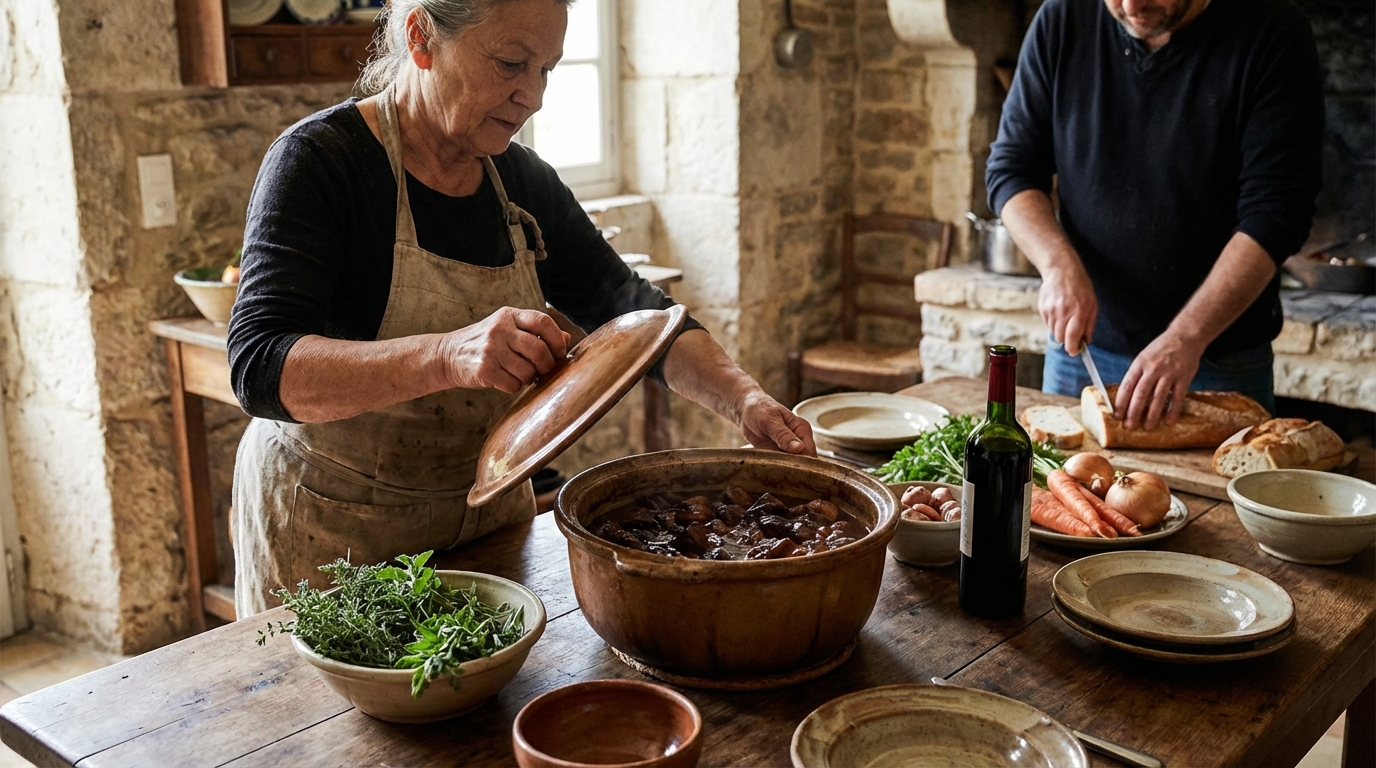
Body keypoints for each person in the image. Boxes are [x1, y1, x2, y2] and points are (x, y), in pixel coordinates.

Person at [228, 0, 814, 617]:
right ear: (422, 37)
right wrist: (448, 355)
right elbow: (260, 368)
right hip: (337, 534)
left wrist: (743, 398)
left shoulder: (523, 184)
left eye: (548, 70)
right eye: (511, 63)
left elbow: (634, 309)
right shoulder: (320, 163)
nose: (531, 96)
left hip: (486, 524)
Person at [985, 0, 1323, 429]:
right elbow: (1012, 169)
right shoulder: (1061, 17)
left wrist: (1187, 338)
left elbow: (1277, 212)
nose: (1130, 6)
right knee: (1064, 492)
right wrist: (1057, 265)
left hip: (1216, 358)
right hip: (1082, 353)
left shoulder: (1273, 32)